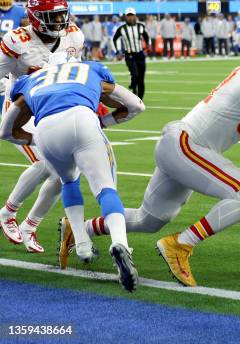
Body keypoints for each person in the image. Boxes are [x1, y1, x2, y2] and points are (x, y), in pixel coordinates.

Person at [61, 37, 240, 287]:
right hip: (186, 144)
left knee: (149, 219)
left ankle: (79, 229)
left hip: (181, 147)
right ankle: (181, 245)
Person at [0, 57, 144, 291]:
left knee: (68, 180)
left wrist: (36, 139)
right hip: (81, 119)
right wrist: (102, 122)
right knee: (105, 188)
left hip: (45, 130)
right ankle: (120, 244)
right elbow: (136, 105)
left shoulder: (31, 80)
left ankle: (83, 245)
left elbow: (6, 131)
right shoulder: (89, 69)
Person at [0, 0, 84, 253]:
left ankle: (30, 226)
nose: (59, 22)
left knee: (68, 173)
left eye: (61, 15)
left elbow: (73, 75)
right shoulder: (18, 40)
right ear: (36, 18)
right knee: (46, 163)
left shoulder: (73, 36)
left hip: (53, 110)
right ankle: (7, 213)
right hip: (22, 113)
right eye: (52, 17)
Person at [113, 8, 149, 99]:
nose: (130, 18)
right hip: (129, 55)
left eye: (132, 15)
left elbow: (146, 37)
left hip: (140, 54)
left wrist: (147, 47)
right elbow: (115, 39)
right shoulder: (122, 29)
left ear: (135, 16)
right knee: (135, 74)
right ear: (126, 17)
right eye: (128, 16)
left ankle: (140, 98)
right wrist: (118, 52)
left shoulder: (141, 26)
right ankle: (133, 87)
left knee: (141, 78)